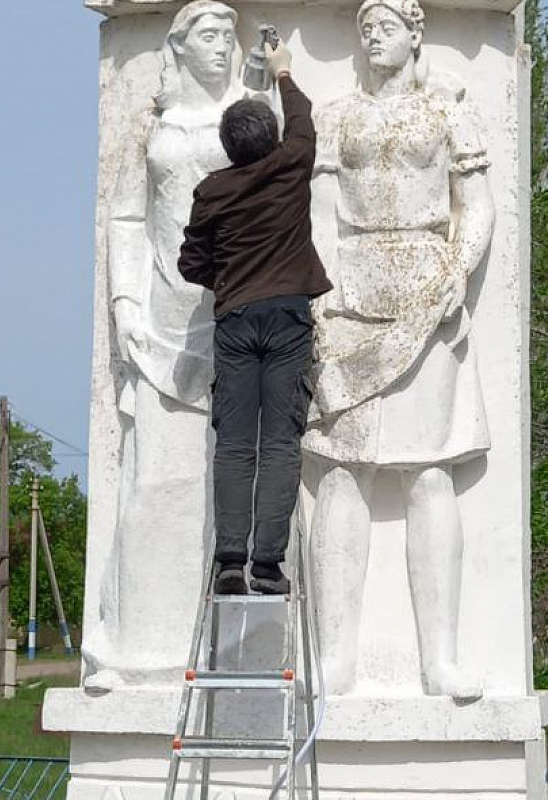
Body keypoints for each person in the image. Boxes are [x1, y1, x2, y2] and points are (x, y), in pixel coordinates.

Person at [304, 0, 495, 700]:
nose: (371, 37)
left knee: (430, 474)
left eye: (385, 26)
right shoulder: (336, 115)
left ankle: (438, 660)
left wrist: (457, 273)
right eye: (364, 28)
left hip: (425, 289)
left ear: (416, 33)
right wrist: (321, 294)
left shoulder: (448, 111)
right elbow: (320, 212)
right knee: (340, 473)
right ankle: (334, 660)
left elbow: (476, 206)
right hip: (351, 293)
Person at [83, 0, 245, 691]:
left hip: (233, 318)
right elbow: (124, 217)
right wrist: (123, 303)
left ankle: (220, 650)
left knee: (225, 493)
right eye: (209, 35)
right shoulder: (153, 127)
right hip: (159, 323)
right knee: (150, 486)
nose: (221, 47)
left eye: (228, 37)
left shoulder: (248, 119)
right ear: (179, 46)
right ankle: (132, 648)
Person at [178, 39, 332, 596]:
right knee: (282, 443)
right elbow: (304, 123)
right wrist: (284, 70)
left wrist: (230, 282)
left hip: (237, 321)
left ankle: (228, 561)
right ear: (270, 141)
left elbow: (190, 261)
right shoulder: (292, 164)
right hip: (288, 318)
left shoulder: (213, 190)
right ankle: (268, 566)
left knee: (236, 444)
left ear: (227, 146)